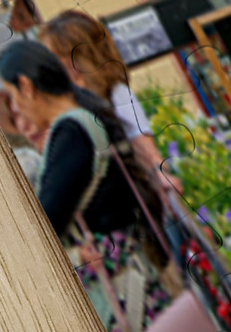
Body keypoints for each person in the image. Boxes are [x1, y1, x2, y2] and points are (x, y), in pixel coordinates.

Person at [0, 39, 231, 332]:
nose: (18, 109)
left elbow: (40, 227)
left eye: (14, 97)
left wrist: (70, 253)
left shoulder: (71, 132)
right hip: (150, 289)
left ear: (26, 86)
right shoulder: (92, 112)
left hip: (126, 305)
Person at [37, 10, 184, 205]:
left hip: (122, 204)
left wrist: (159, 174)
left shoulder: (115, 94)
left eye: (56, 59)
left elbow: (140, 141)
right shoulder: (58, 103)